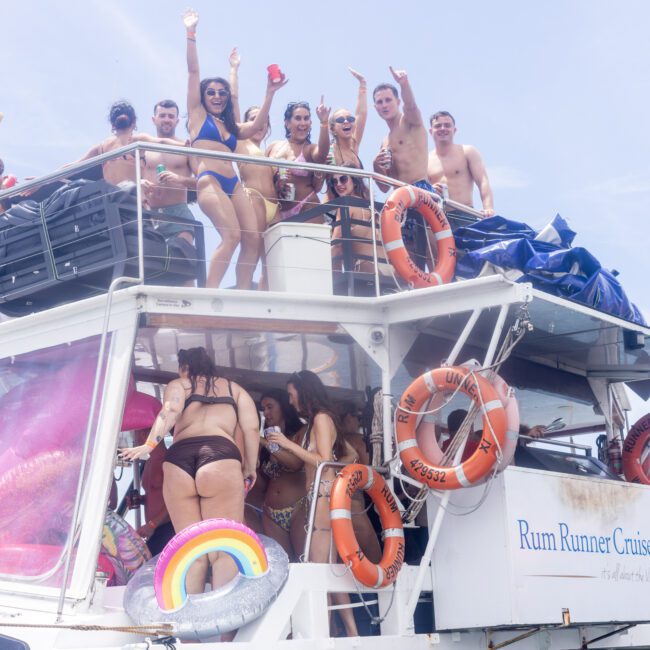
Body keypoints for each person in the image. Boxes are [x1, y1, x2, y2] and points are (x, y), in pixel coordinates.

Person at [119, 347, 259, 594]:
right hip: (220, 456)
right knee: (223, 550)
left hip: (179, 460)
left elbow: (169, 412)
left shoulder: (180, 384)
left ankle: (189, 632)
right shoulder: (236, 390)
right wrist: (249, 467)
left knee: (191, 550)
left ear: (184, 367)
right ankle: (224, 628)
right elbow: (251, 430)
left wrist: (149, 445)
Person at [183, 9, 286, 289]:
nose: (217, 96)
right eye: (211, 92)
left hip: (233, 182)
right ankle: (208, 295)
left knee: (253, 238)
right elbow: (193, 72)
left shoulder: (230, 126)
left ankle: (243, 294)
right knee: (232, 237)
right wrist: (191, 33)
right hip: (210, 181)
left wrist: (270, 94)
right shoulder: (196, 115)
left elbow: (254, 128)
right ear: (203, 96)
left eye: (222, 92)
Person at [266, 371, 359, 636]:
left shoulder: (320, 418)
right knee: (328, 568)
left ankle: (326, 633)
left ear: (304, 392)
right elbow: (349, 455)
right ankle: (348, 632)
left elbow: (321, 459)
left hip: (323, 495)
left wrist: (286, 443)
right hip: (320, 495)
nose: (291, 401)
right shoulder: (320, 420)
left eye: (292, 395)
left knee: (319, 567)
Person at [371, 67, 435, 269]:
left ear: (397, 102)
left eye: (388, 100)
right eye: (380, 102)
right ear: (375, 107)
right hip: (400, 199)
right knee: (410, 256)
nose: (384, 105)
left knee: (433, 249)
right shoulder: (384, 142)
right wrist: (376, 166)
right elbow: (383, 187)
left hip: (421, 189)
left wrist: (404, 84)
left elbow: (412, 106)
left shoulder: (409, 121)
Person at [258, 388, 306, 559]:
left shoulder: (300, 433)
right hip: (270, 512)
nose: (266, 413)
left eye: (270, 407)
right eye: (263, 409)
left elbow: (295, 464)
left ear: (284, 406)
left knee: (304, 562)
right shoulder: (266, 439)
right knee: (282, 565)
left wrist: (263, 442)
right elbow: (264, 483)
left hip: (298, 508)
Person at [142, 99, 197, 243]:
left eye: (171, 116)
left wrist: (179, 179)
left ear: (177, 121)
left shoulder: (186, 148)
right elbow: (129, 179)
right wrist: (139, 183)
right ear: (154, 119)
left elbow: (204, 182)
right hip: (149, 213)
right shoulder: (143, 149)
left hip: (179, 214)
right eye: (163, 115)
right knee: (148, 264)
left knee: (180, 262)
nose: (167, 119)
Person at [74, 101, 165, 186]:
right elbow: (75, 165)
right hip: (118, 200)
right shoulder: (102, 147)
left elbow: (74, 166)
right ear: (133, 123)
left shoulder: (137, 140)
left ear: (112, 124)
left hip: (128, 199)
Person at [266, 100, 330, 221]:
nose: (303, 123)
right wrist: (277, 184)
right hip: (278, 212)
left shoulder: (310, 149)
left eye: (306, 118)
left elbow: (322, 153)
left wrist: (324, 122)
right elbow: (263, 177)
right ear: (287, 123)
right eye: (298, 118)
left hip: (307, 207)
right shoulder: (272, 147)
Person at [427, 111, 494, 217]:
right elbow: (419, 189)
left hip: (464, 214)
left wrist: (488, 208)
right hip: (435, 217)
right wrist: (430, 189)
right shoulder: (425, 160)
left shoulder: (467, 151)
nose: (443, 128)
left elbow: (482, 181)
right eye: (438, 126)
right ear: (431, 131)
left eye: (447, 125)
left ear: (454, 130)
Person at [328, 167, 388, 275]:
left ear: (355, 182)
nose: (338, 184)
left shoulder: (346, 206)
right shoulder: (373, 207)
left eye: (343, 179)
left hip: (366, 269)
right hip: (388, 270)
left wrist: (334, 282)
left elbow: (336, 246)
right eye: (334, 181)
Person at [132, 429, 174, 556]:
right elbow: (157, 494)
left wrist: (152, 524)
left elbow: (175, 500)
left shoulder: (168, 461)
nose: (135, 440)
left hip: (167, 526)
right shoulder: (150, 461)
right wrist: (142, 499)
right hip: (154, 528)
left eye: (136, 434)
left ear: (144, 434)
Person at [327, 68, 367, 169]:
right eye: (340, 120)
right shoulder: (330, 150)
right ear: (332, 129)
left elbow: (361, 114)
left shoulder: (353, 145)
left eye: (350, 119)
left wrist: (363, 84)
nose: (346, 121)